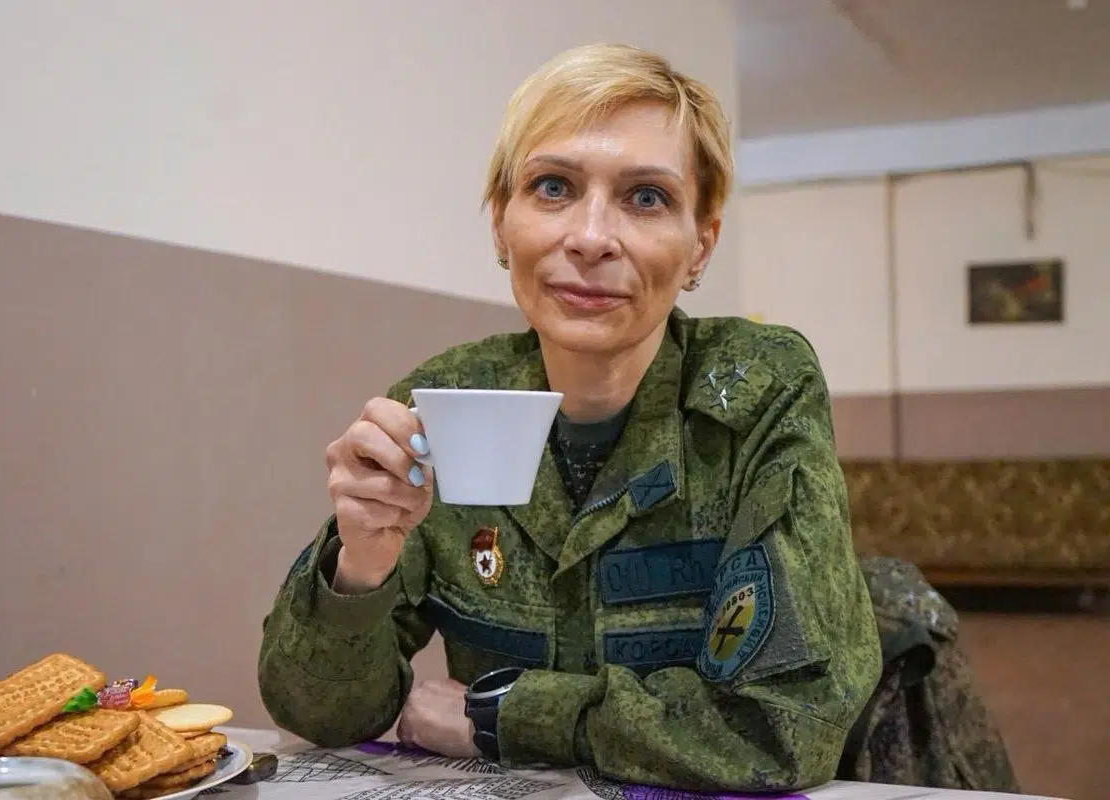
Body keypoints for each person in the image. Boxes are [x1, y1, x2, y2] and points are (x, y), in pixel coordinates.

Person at [258, 42, 882, 793]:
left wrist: (507, 715)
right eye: (552, 187)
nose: (590, 238)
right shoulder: (446, 399)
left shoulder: (757, 390)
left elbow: (785, 726)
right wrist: (361, 562)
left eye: (646, 197)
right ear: (501, 224)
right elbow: (322, 715)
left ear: (700, 248)